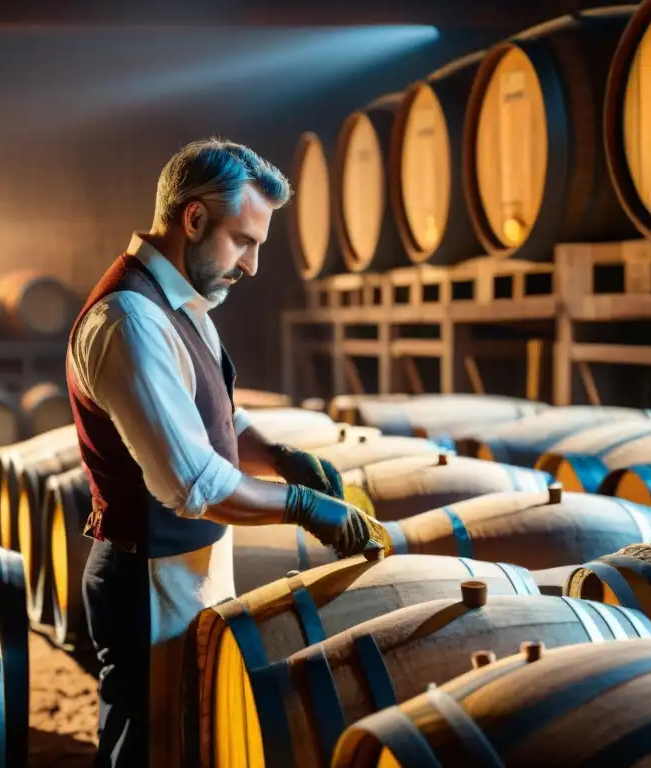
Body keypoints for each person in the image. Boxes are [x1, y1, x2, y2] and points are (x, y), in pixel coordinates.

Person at [66, 137, 385, 768]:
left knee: (187, 741)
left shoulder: (187, 307)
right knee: (145, 750)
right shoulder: (130, 321)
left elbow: (221, 421)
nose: (253, 265)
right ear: (193, 219)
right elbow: (196, 486)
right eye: (244, 240)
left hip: (183, 569)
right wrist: (303, 507)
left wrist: (283, 455)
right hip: (147, 577)